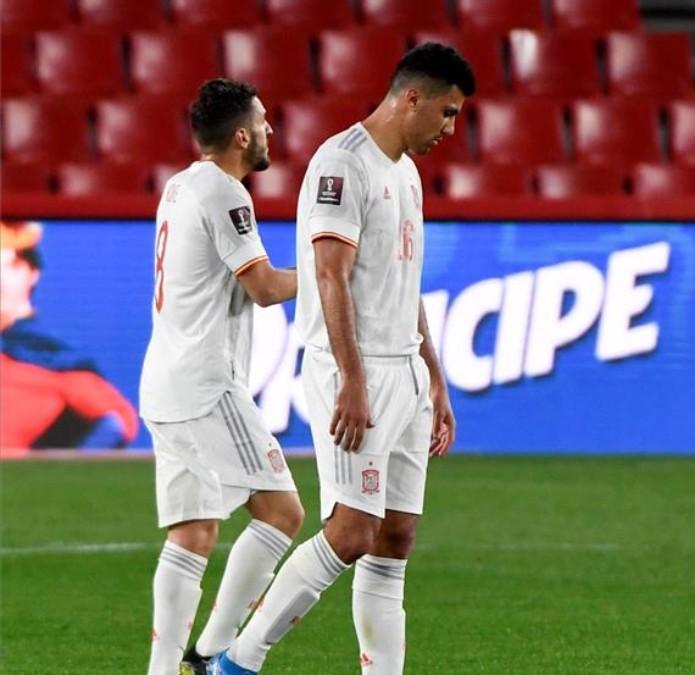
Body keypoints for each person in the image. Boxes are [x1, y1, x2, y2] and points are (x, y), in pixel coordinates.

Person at [211, 43, 473, 675]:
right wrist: (353, 381)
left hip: (405, 368)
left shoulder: (406, 173)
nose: (450, 129)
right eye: (447, 113)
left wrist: (435, 378)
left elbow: (402, 285)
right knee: (353, 531)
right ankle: (238, 661)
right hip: (352, 371)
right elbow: (331, 275)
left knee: (395, 540)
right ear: (412, 97)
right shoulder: (342, 165)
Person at [139, 78, 304, 675]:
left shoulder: (180, 186)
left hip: (163, 380)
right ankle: (212, 655)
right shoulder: (225, 192)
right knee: (283, 513)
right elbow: (263, 288)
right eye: (263, 121)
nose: (270, 132)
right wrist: (328, 268)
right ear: (241, 135)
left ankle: (165, 671)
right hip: (205, 385)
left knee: (192, 532)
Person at [0, 220, 138, 451]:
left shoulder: (53, 359)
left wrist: (58, 475)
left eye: (12, 265)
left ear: (32, 274)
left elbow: (119, 421)